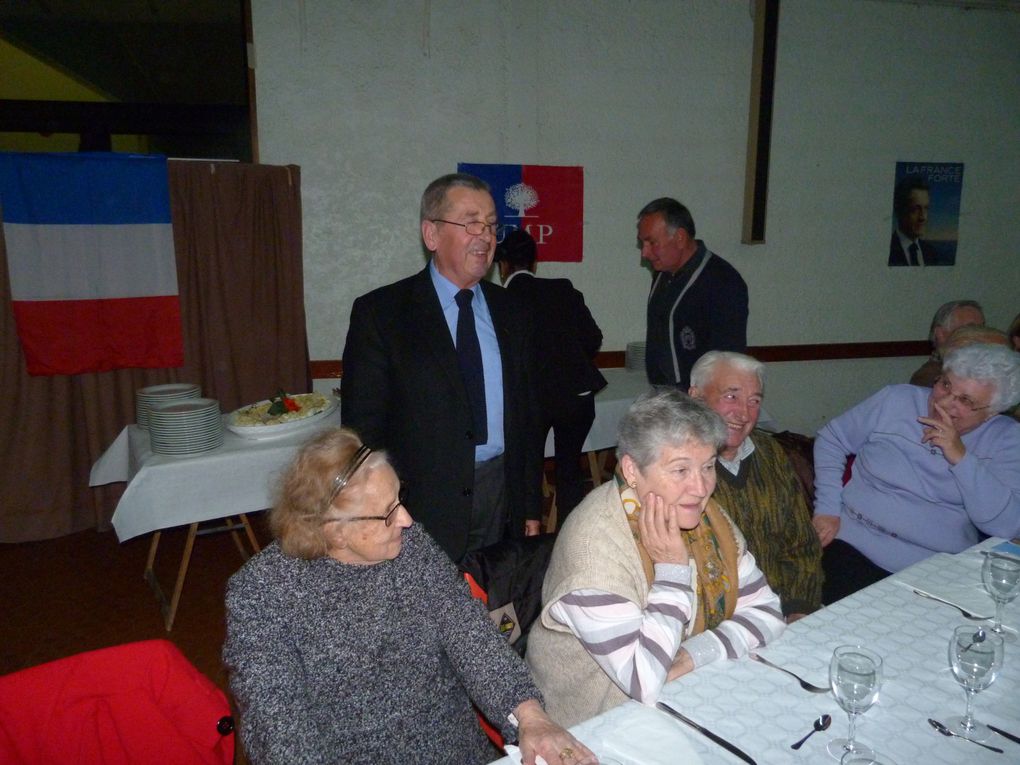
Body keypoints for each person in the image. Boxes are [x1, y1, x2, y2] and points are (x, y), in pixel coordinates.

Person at [223, 428, 596, 765]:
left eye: (399, 498)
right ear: (334, 532)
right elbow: (280, 729)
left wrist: (530, 717)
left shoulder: (410, 547)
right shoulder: (260, 595)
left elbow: (472, 639)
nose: (406, 519)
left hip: (457, 752)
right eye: (387, 513)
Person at [526, 390, 785, 727]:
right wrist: (673, 570)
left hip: (690, 698)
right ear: (632, 470)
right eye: (680, 470)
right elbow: (644, 682)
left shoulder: (708, 519)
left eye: (708, 466)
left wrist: (695, 654)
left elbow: (768, 612)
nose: (701, 487)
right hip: (593, 729)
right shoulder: (593, 551)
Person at [342, 173, 543, 562]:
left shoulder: (514, 311)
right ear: (431, 235)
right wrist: (379, 511)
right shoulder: (383, 314)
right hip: (419, 504)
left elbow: (528, 419)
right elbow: (363, 430)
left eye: (490, 225)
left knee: (495, 611)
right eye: (470, 222)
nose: (484, 236)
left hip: (501, 494)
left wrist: (530, 506)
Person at [813, 344, 1020, 603]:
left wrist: (960, 458)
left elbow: (1005, 525)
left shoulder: (1007, 438)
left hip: (939, 567)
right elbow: (831, 440)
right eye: (945, 385)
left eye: (965, 400)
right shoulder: (895, 400)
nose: (944, 402)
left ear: (993, 412)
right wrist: (827, 508)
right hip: (852, 544)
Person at [688, 351, 822, 621]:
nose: (743, 413)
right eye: (731, 396)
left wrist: (798, 608)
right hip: (715, 622)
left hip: (783, 607)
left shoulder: (770, 453)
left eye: (754, 401)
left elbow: (802, 544)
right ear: (696, 397)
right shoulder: (674, 468)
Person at [495, 228, 607, 520]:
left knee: (527, 471)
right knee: (569, 470)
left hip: (534, 401)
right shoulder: (563, 289)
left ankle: (528, 541)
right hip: (577, 397)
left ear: (502, 267)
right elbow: (593, 338)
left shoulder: (500, 301)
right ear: (534, 264)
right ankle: (574, 538)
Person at [636, 198, 748, 390]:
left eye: (651, 243)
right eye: (642, 244)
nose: (644, 253)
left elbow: (728, 358)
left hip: (701, 399)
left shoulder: (722, 280)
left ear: (680, 237)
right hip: (665, 394)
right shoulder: (662, 274)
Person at [909, 299, 984, 386]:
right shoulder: (931, 378)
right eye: (971, 329)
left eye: (983, 328)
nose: (982, 335)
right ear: (941, 334)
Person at [888, 175, 942, 266]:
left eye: (926, 208)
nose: (923, 217)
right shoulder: (886, 250)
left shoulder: (931, 253)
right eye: (915, 209)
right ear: (899, 210)